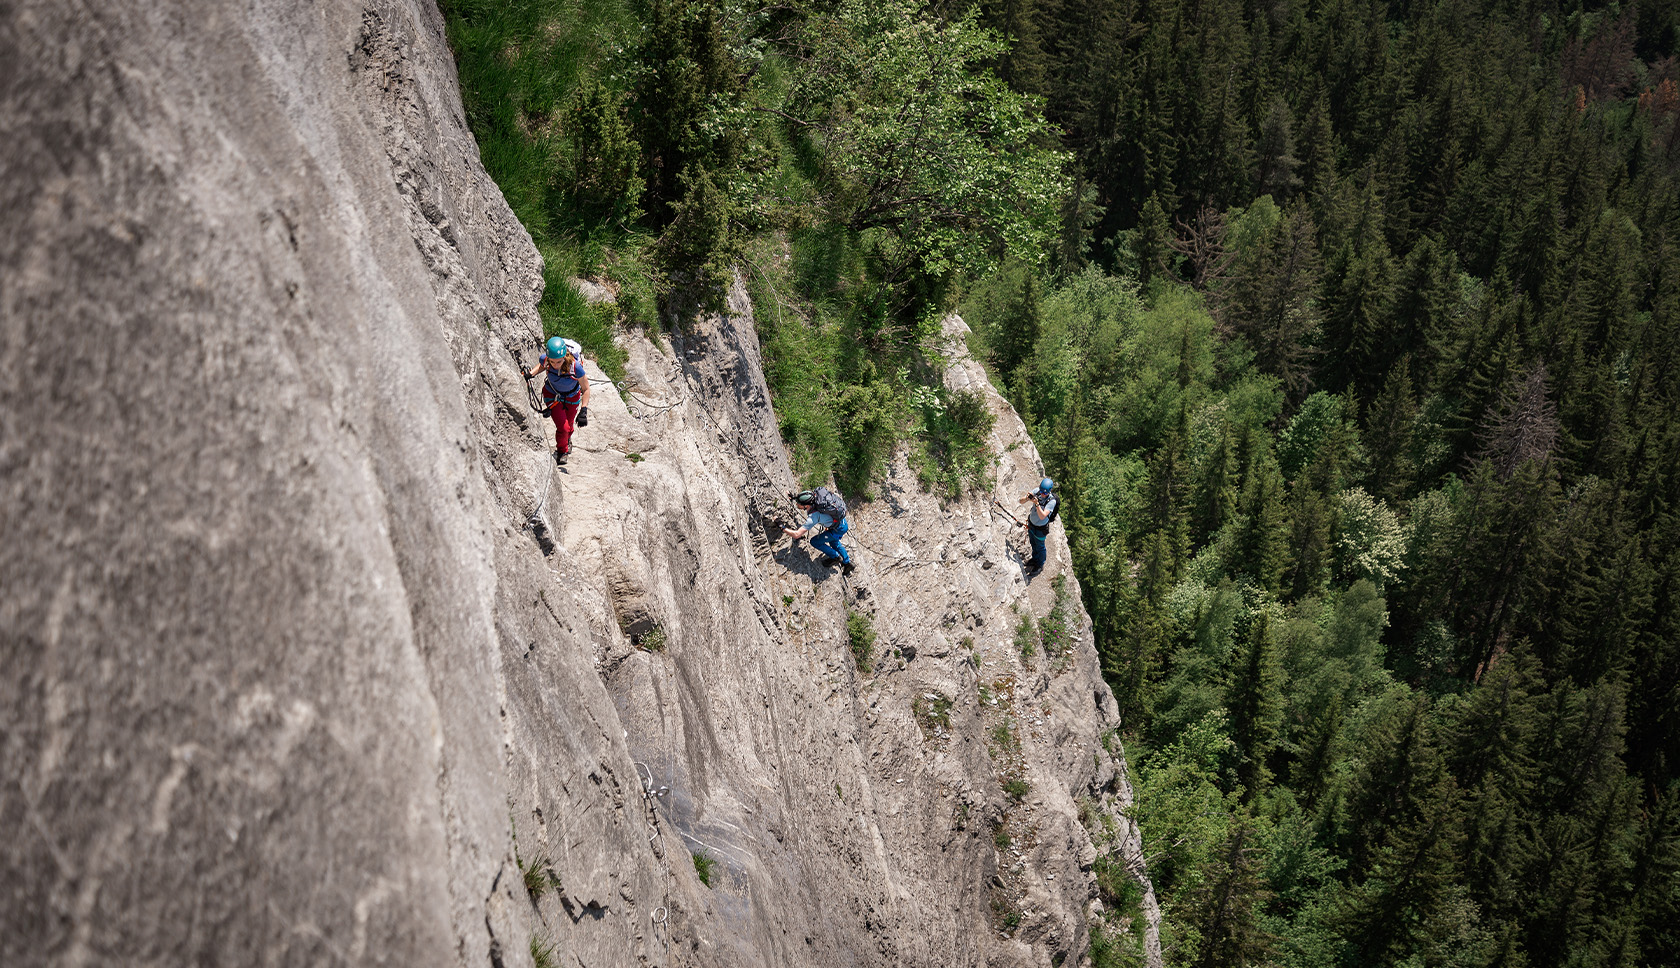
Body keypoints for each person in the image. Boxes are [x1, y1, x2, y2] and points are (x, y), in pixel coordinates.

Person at [523, 337, 591, 465]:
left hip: (572, 397)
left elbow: (586, 389)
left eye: (559, 362)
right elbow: (542, 366)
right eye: (552, 362)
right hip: (552, 395)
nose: (555, 365)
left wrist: (584, 410)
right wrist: (531, 374)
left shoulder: (575, 367)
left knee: (569, 425)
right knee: (563, 427)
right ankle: (562, 451)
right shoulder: (546, 359)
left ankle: (567, 440)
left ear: (565, 356)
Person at [782, 490, 854, 575]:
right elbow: (807, 496)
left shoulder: (813, 517)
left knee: (815, 542)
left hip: (837, 529)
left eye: (799, 503)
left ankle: (835, 556)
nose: (797, 505)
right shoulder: (818, 499)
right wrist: (795, 497)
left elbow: (797, 534)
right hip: (841, 522)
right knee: (834, 543)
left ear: (806, 506)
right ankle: (847, 562)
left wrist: (782, 527)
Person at [1017, 477, 1057, 577]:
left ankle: (1040, 565)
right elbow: (1020, 501)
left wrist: (1037, 504)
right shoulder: (1037, 491)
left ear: (1049, 491)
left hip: (1041, 528)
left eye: (1045, 493)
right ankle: (1034, 559)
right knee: (1033, 542)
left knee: (1040, 546)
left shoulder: (1052, 501)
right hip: (1032, 523)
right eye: (1042, 492)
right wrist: (1027, 498)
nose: (1043, 494)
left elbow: (1042, 516)